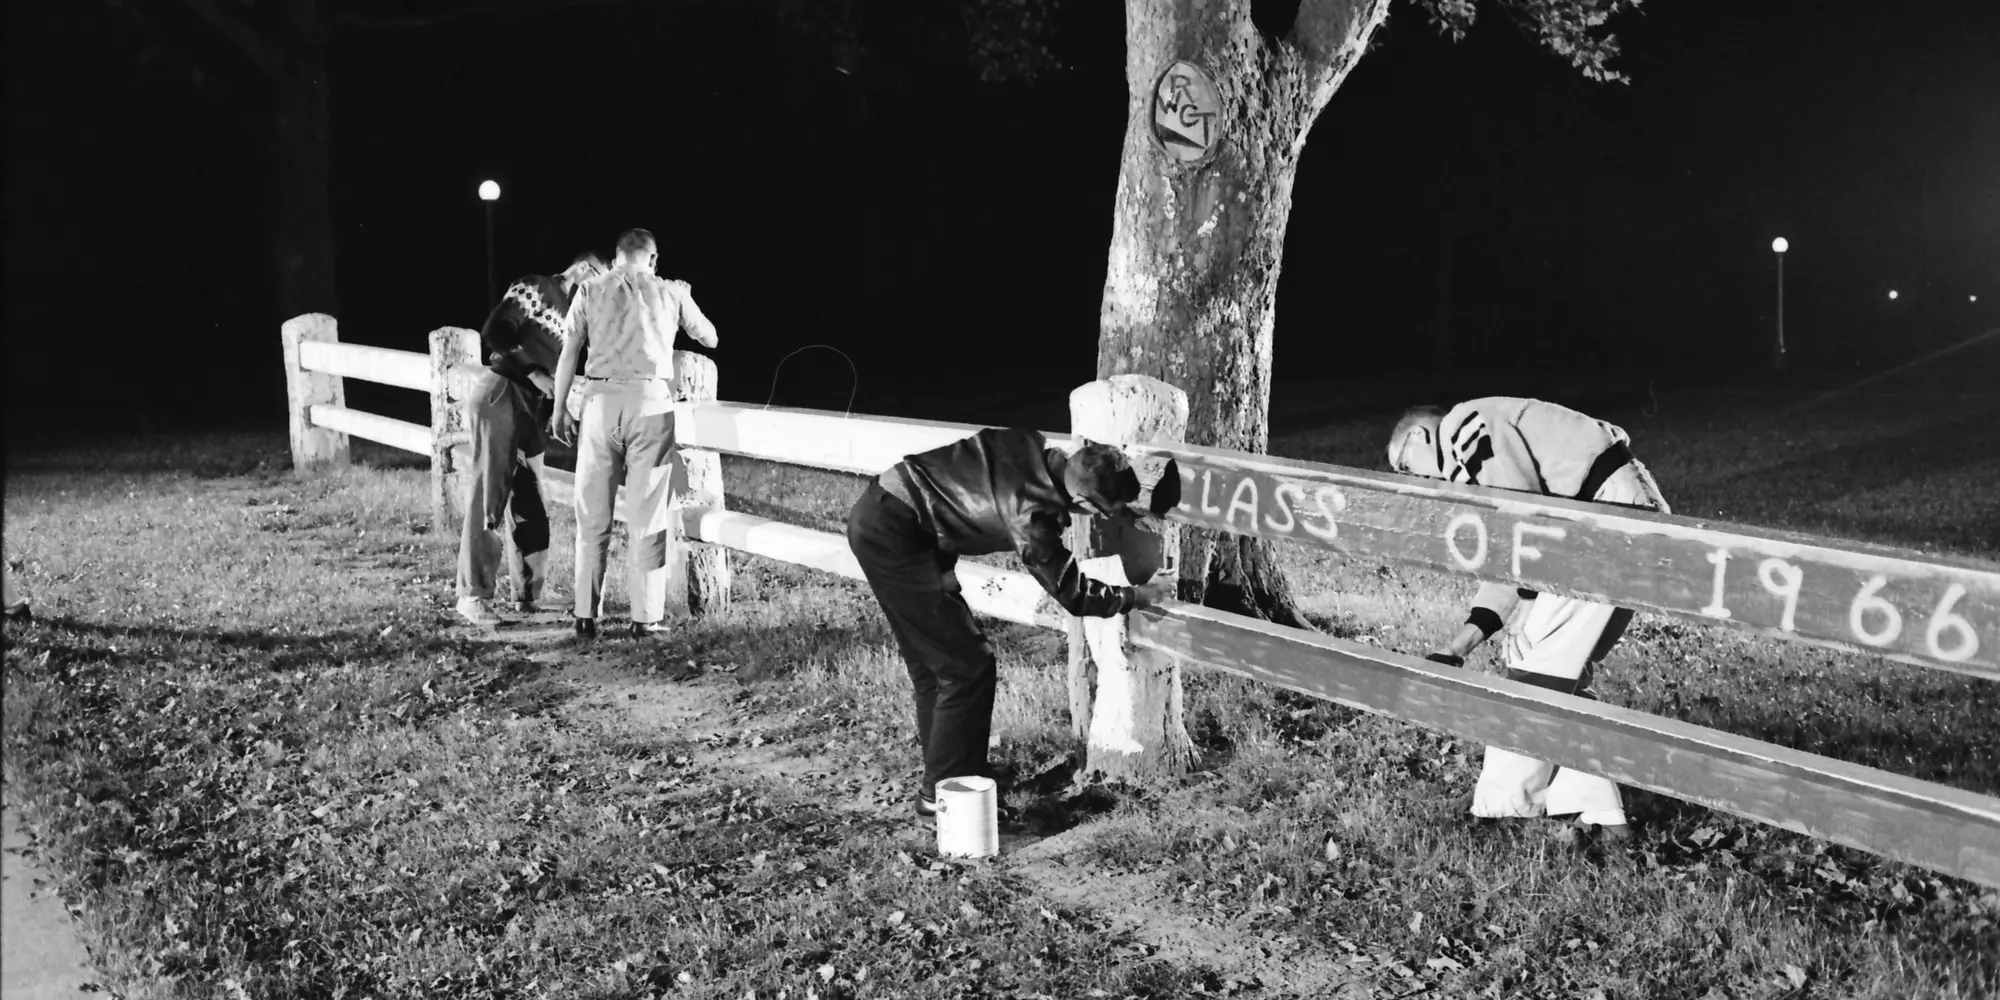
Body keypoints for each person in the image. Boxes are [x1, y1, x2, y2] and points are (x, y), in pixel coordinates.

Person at [846, 428, 1178, 819]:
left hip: (887, 512)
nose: (1106, 519)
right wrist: (1136, 596)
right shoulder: (1033, 516)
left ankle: (953, 775)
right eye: (1106, 511)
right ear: (1084, 502)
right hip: (897, 536)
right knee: (966, 668)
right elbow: (1073, 593)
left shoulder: (1027, 443)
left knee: (937, 669)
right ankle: (942, 797)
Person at [1387, 397, 1671, 844]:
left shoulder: (1462, 428)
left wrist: (1527, 602)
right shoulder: (1476, 440)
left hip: (1608, 525)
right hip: (1618, 519)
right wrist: (1458, 646)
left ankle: (1504, 811)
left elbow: (1520, 525)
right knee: (1559, 678)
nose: (1410, 478)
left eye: (1404, 464)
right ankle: (1601, 816)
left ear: (1421, 437)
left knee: (1532, 672)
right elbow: (1508, 552)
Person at [551, 229, 718, 638]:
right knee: (648, 515)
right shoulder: (669, 292)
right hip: (650, 405)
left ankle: (586, 614)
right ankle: (646, 617)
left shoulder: (589, 289)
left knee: (592, 516)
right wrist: (686, 295)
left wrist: (559, 410)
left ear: (617, 256)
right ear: (654, 259)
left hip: (599, 404)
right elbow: (710, 337)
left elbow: (568, 353)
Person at [454, 252, 608, 626]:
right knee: (490, 493)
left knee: (531, 498)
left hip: (532, 410)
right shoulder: (538, 286)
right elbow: (497, 331)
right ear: (585, 269)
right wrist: (533, 372)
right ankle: (472, 594)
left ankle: (528, 592)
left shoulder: (578, 314)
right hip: (502, 394)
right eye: (603, 278)